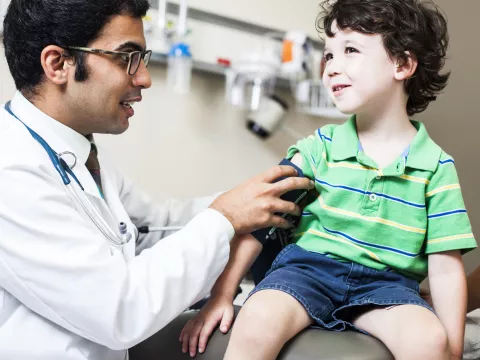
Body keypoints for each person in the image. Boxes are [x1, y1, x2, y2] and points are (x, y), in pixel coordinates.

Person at [0, 1, 315, 359]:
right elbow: (118, 310)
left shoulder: (77, 149)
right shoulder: (10, 170)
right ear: (58, 64)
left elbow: (152, 228)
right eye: (126, 58)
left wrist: (251, 203)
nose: (144, 77)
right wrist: (224, 218)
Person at [180, 1, 477, 359]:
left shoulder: (436, 167)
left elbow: (445, 269)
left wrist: (453, 348)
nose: (332, 68)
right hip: (306, 272)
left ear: (403, 64)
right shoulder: (317, 149)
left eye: (350, 50)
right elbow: (258, 224)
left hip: (387, 287)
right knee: (257, 318)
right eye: (329, 54)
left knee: (428, 339)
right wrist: (222, 296)